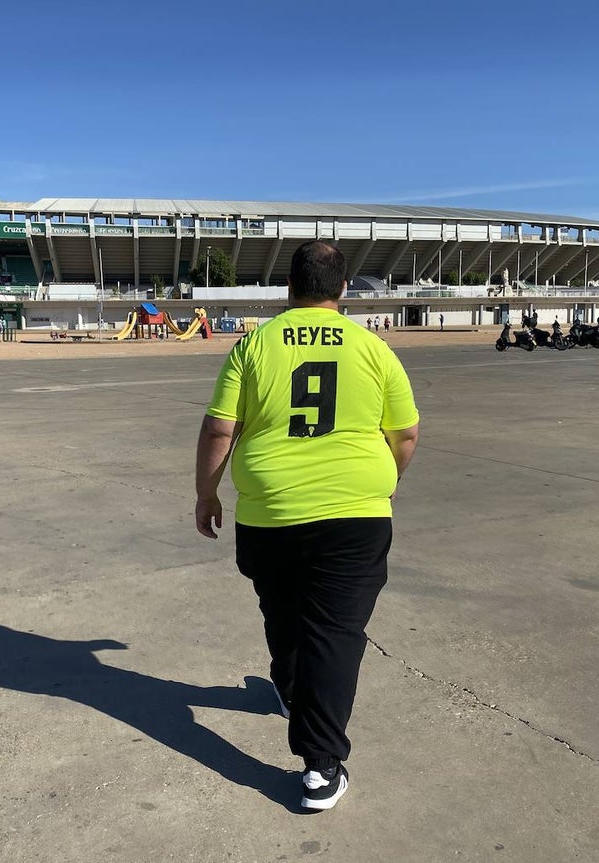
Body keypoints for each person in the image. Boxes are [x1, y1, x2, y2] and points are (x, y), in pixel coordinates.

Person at [194, 240, 420, 812]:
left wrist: (206, 493)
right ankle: (320, 765)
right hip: (355, 515)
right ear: (343, 288)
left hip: (270, 512)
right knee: (334, 634)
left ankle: (292, 690)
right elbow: (406, 433)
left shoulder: (254, 345)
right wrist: (385, 478)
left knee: (283, 611)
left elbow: (220, 428)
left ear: (289, 286)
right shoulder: (374, 348)